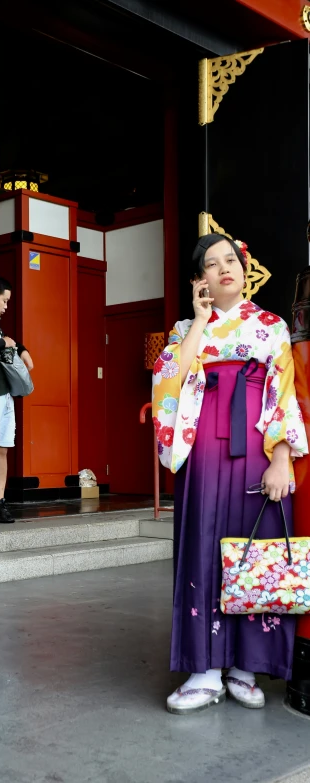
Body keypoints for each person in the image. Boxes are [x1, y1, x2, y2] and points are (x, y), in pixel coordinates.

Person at [152, 234, 308, 714]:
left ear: (245, 269)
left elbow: (285, 394)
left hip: (258, 445)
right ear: (200, 280)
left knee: (252, 550)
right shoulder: (185, 329)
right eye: (211, 264)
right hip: (203, 446)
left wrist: (282, 458)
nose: (224, 269)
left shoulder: (271, 326)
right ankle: (204, 671)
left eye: (231, 261)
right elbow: (171, 377)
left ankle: (245, 666)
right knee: (203, 547)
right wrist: (200, 321)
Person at [0, 277, 33, 523]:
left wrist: (21, 348)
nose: (6, 306)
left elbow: (10, 341)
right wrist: (3, 343)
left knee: (2, 451)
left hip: (5, 395)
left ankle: (0, 501)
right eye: (4, 300)